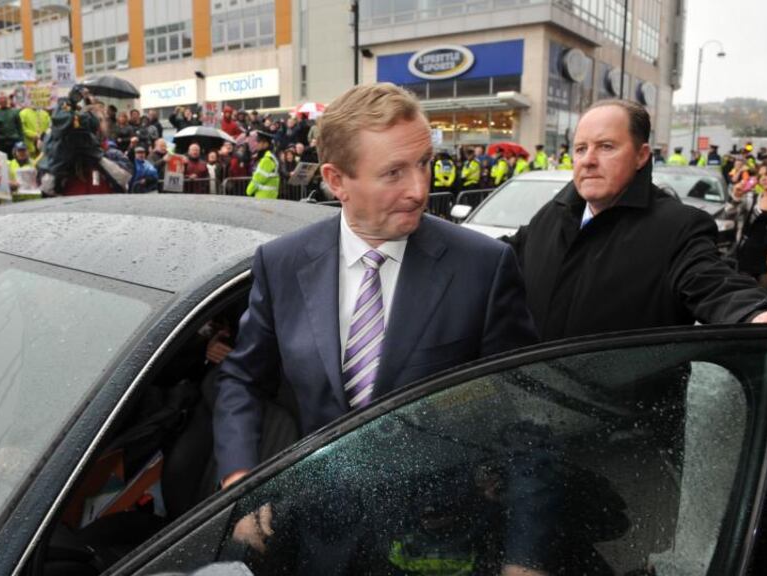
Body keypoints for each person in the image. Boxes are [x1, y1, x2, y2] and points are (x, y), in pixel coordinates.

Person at [214, 82, 538, 487]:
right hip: (315, 523)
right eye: (394, 173)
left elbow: (524, 410)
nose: (420, 190)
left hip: (438, 528)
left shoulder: (483, 267)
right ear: (337, 181)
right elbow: (243, 379)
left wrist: (524, 546)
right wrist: (239, 476)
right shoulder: (282, 263)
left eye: (424, 163)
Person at [505, 99, 767, 342]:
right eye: (580, 149)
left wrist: (758, 313)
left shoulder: (677, 228)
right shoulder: (553, 214)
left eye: (605, 147)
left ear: (641, 155)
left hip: (623, 406)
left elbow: (713, 283)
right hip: (531, 398)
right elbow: (502, 257)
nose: (588, 160)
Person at [735, 160, 767, 291]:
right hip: (747, 256)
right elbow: (728, 213)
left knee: (765, 299)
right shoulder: (751, 199)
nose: (763, 178)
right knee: (745, 297)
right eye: (760, 175)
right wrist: (735, 197)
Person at [246, 130, 279, 199]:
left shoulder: (266, 159)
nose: (256, 143)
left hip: (264, 198)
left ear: (266, 144)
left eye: (259, 141)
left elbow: (258, 180)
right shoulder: (270, 156)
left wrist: (248, 191)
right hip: (269, 197)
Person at [0, 91, 24, 157]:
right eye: (0, 99)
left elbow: (20, 127)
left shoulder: (15, 111)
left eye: (4, 98)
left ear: (7, 99)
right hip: (1, 142)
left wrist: (22, 140)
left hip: (14, 141)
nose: (3, 100)